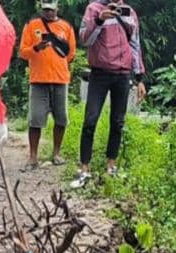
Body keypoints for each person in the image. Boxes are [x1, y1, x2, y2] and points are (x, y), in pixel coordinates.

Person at [71, 0, 147, 188]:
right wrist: (99, 20)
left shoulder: (129, 12)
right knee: (90, 120)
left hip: (123, 74)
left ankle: (111, 166)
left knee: (118, 122)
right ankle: (84, 169)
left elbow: (135, 44)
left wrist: (139, 78)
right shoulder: (93, 9)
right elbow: (84, 39)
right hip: (100, 73)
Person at [18, 1, 77, 170]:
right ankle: (33, 157)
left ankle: (56, 153)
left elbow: (70, 52)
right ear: (41, 9)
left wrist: (58, 62)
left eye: (51, 10)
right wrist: (36, 48)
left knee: (61, 118)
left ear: (57, 9)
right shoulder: (32, 25)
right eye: (45, 10)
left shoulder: (66, 27)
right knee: (35, 119)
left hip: (60, 79)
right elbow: (22, 51)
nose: (48, 13)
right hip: (38, 80)